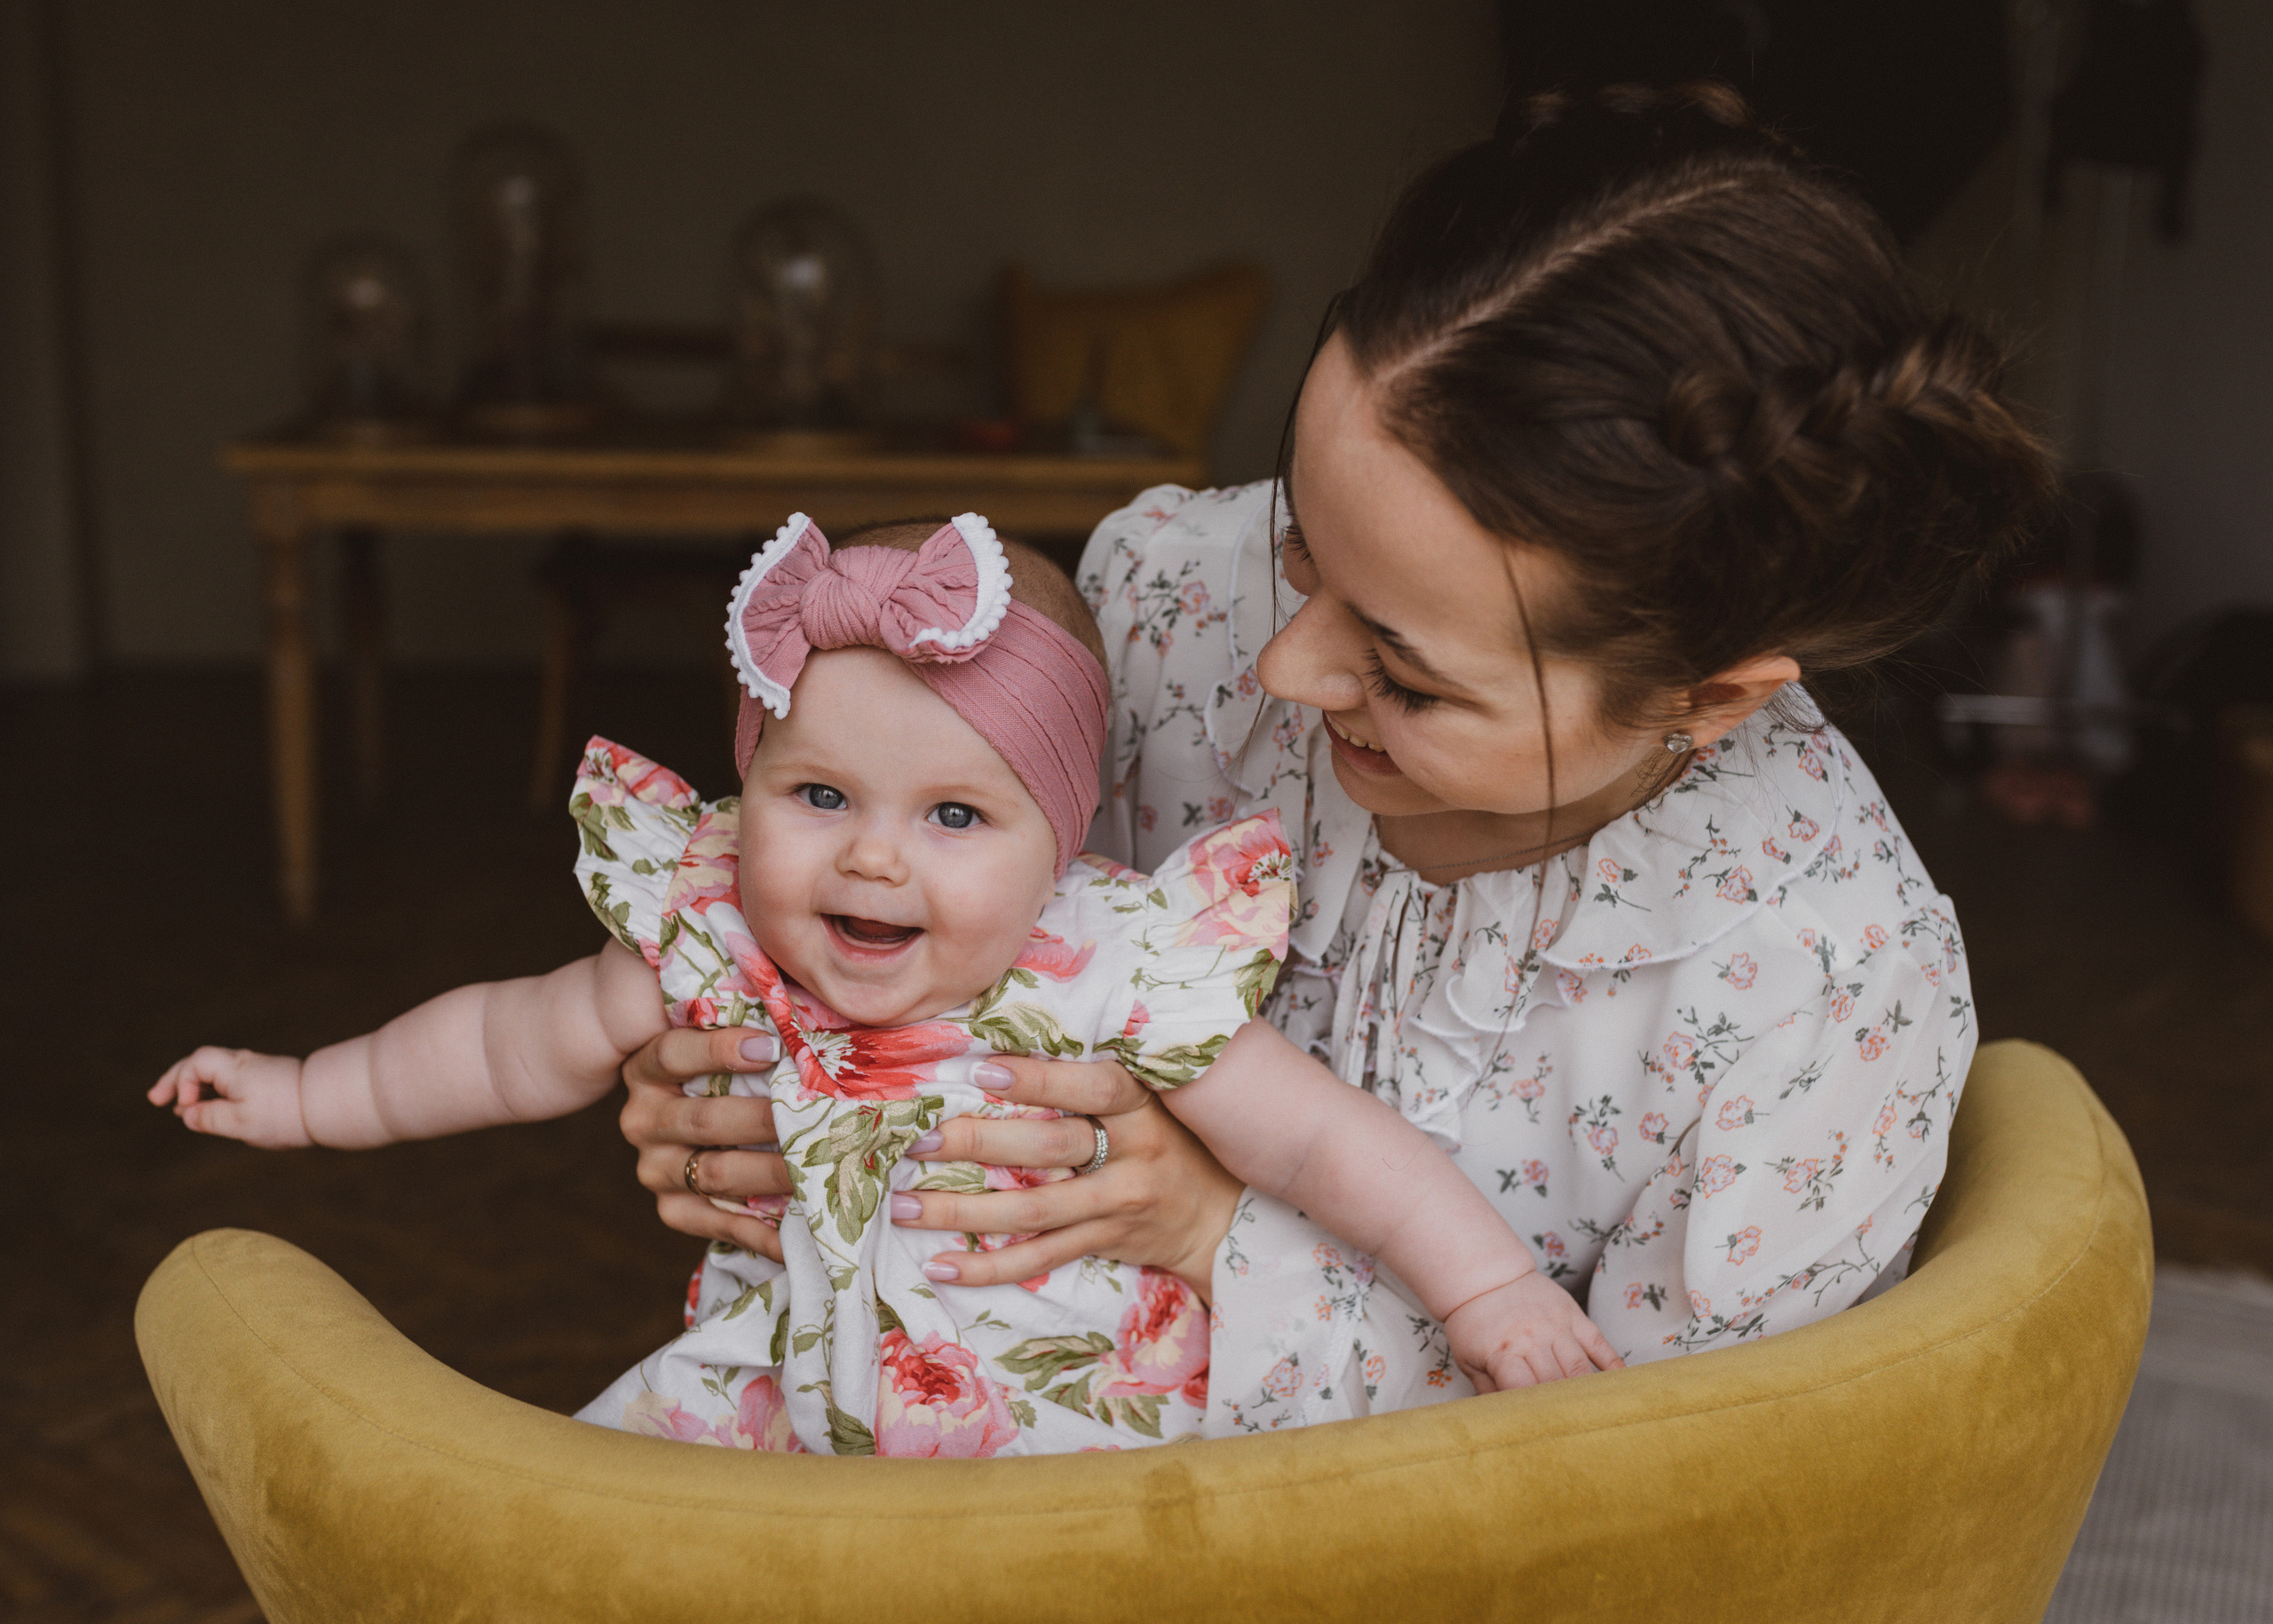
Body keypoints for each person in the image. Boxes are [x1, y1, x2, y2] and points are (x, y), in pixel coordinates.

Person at [619, 83, 2054, 1432]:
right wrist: (736, 1081)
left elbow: (1650, 1484)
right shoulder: (1168, 599)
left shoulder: (1813, 995)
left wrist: (1210, 1231)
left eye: (1406, 671)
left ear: (1711, 694)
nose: (1285, 668)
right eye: (1302, 538)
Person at [150, 512, 1617, 1457]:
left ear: (1061, 841)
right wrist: (303, 1094)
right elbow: (498, 1041)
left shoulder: (1109, 963)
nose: (872, 857)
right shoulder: (718, 927)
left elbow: (1329, 1144)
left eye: (955, 816)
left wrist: (1489, 1290)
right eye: (819, 793)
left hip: (1066, 1428)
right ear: (747, 786)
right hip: (775, 1400)